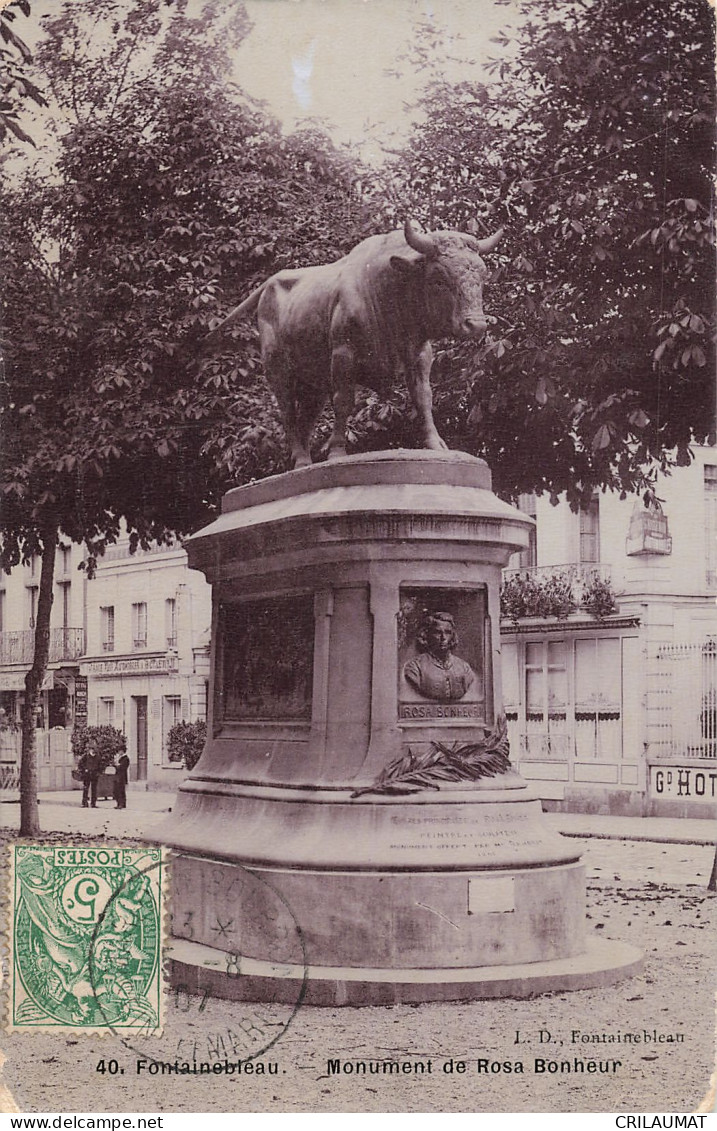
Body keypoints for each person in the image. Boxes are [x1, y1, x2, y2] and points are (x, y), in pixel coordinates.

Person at [403, 611, 476, 702]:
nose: (443, 637)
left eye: (448, 632)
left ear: (453, 636)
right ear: (427, 634)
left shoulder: (464, 668)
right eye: (437, 632)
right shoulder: (415, 667)